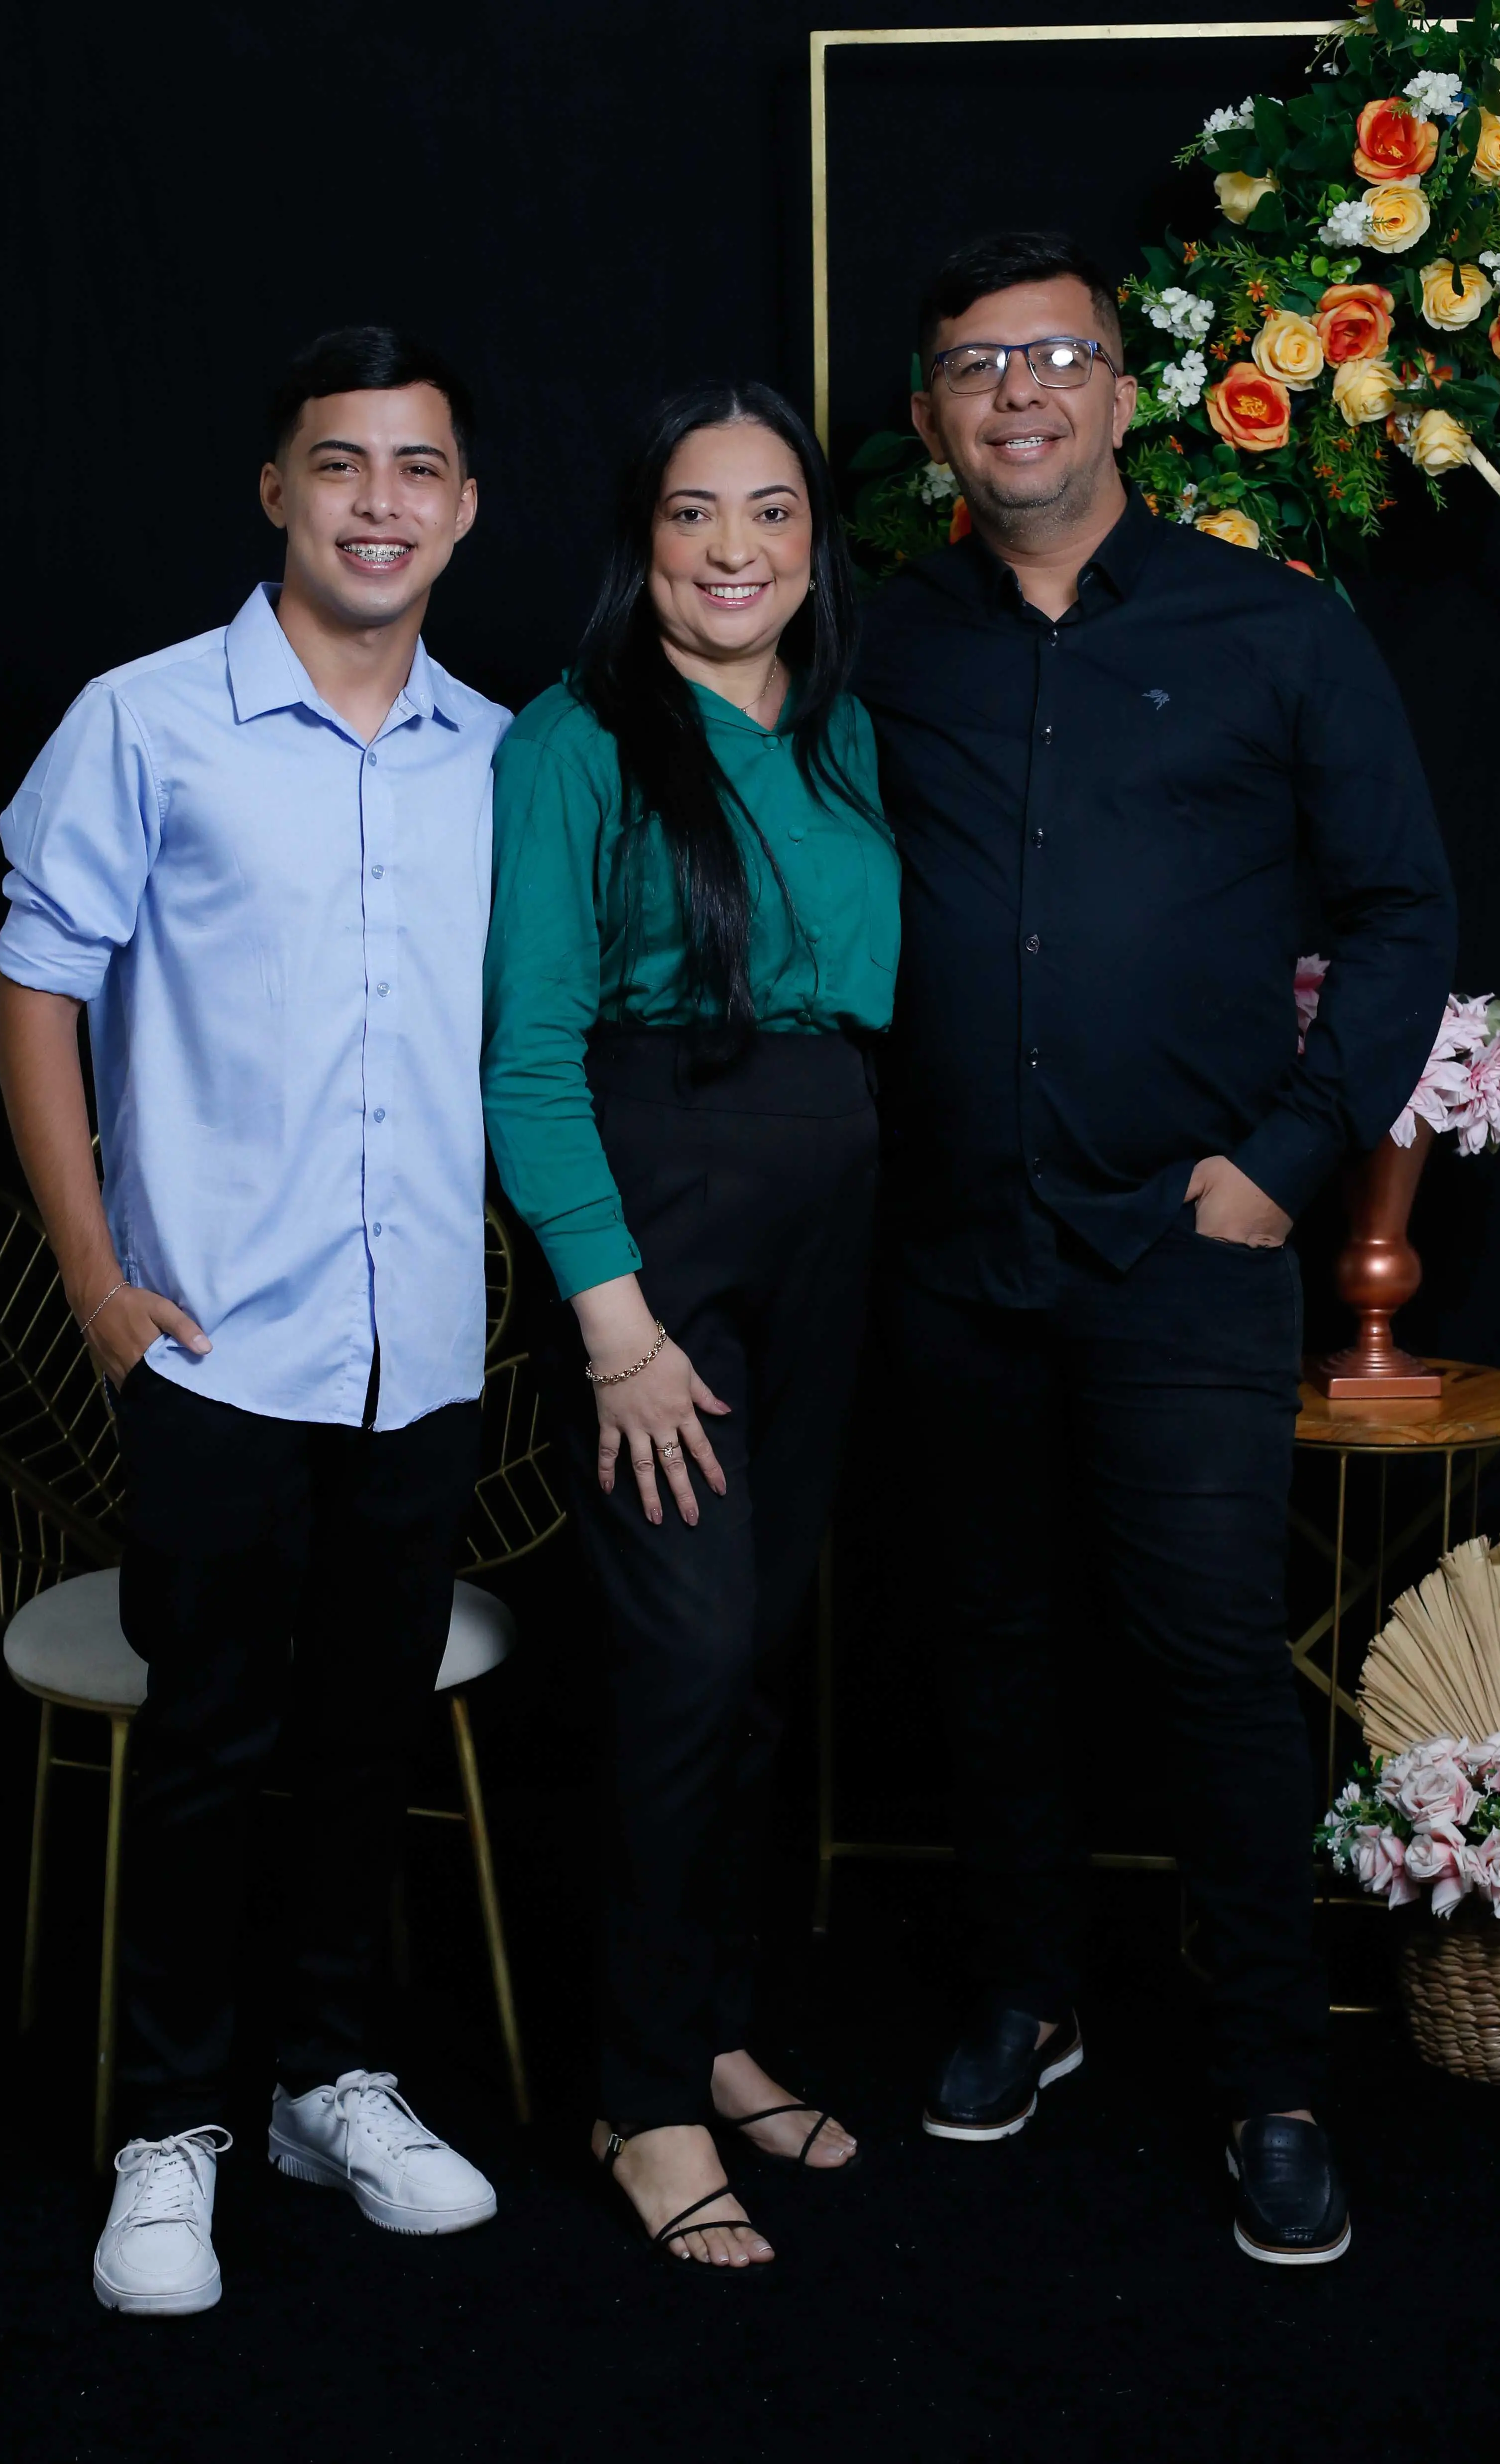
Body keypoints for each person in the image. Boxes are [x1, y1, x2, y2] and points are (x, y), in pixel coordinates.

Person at [855, 231, 1456, 2265]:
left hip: (1190, 1246)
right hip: (949, 1247)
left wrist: (1287, 1159)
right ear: (932, 415)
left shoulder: (1275, 627)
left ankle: (1278, 2080)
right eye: (974, 366)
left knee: (1207, 1659)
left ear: (1124, 393)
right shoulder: (883, 637)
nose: (1018, 392)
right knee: (992, 1648)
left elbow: (1401, 912)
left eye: (1057, 358)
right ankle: (1030, 1998)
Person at [0, 326, 508, 2317]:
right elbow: (38, 989)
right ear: (278, 493)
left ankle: (332, 2080)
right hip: (214, 1342)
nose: (379, 500)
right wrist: (99, 1284)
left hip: (424, 1351)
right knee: (210, 1739)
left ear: (463, 510)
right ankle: (170, 2128)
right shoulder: (145, 722)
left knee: (363, 1738)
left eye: (417, 469)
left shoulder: (503, 752)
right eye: (339, 464)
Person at [482, 381, 898, 2271]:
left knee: (754, 1664)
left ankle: (711, 2030)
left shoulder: (843, 735)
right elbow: (525, 1055)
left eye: (773, 515)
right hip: (659, 1215)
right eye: (690, 514)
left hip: (827, 1211)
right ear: (637, 539)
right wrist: (618, 1323)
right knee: (678, 1654)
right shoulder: (573, 743)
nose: (733, 550)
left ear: (816, 544)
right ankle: (640, 2100)